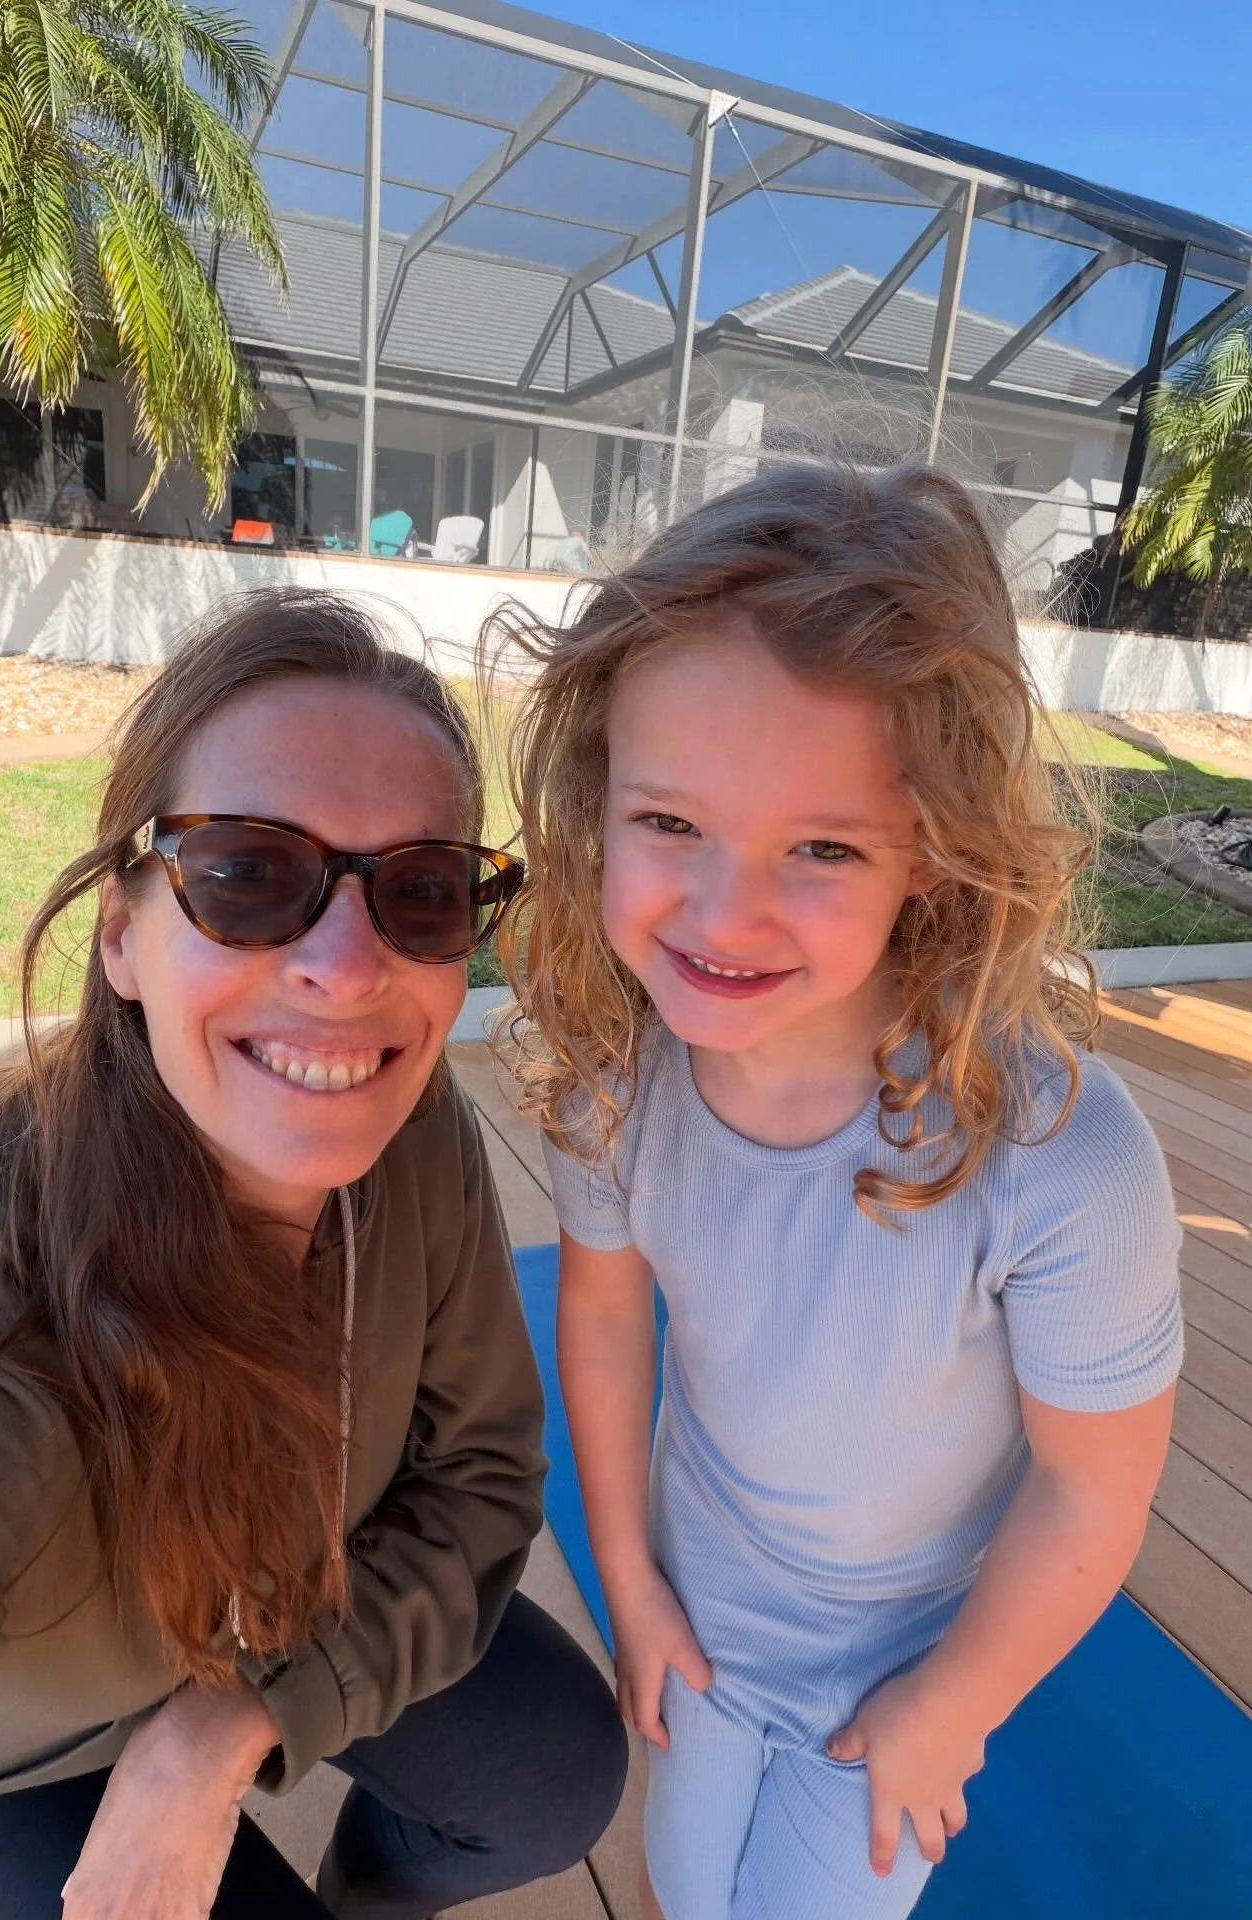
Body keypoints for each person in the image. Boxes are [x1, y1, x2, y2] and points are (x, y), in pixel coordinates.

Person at [0, 589, 627, 1920]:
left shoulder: (409, 1132)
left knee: (557, 1773)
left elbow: (484, 1481)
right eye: (248, 875)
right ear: (122, 933)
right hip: (14, 1767)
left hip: (286, 1625)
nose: (347, 964)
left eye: (421, 891)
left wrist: (229, 1728)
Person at [489, 463, 1182, 1919]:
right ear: (596, 801)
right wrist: (628, 1573)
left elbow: (1092, 1485)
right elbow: (608, 1316)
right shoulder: (617, 1077)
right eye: (669, 823)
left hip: (911, 1660)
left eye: (820, 847)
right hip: (701, 1609)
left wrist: (956, 1704)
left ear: (931, 844)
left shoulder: (1061, 1157)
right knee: (685, 1885)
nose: (724, 914)